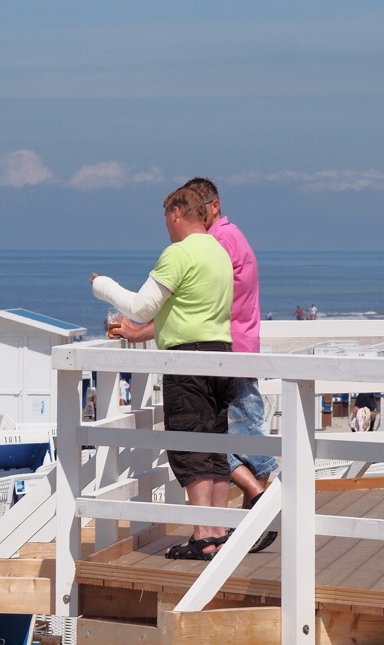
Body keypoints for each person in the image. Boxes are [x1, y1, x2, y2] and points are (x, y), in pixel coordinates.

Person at [112, 178, 279, 553]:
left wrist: (103, 286)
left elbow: (181, 305)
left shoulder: (212, 245)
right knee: (223, 442)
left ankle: (246, 510)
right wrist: (144, 333)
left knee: (202, 446)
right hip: (229, 350)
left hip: (212, 354)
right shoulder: (225, 244)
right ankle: (222, 528)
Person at [91, 186, 236, 561]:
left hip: (187, 360)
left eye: (166, 219)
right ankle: (218, 532)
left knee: (190, 448)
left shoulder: (180, 252)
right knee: (216, 447)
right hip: (222, 354)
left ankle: (203, 535)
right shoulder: (219, 252)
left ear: (176, 213)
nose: (167, 228)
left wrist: (102, 287)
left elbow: (140, 307)